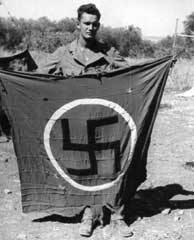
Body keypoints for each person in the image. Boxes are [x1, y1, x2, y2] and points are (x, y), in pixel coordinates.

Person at [38, 3, 132, 238]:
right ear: (77, 24)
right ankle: (88, 214)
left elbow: (131, 74)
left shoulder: (107, 51)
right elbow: (38, 76)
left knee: (111, 163)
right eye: (86, 23)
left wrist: (158, 68)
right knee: (84, 168)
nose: (91, 27)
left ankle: (118, 214)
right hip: (77, 124)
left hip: (105, 121)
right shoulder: (62, 54)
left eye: (95, 24)